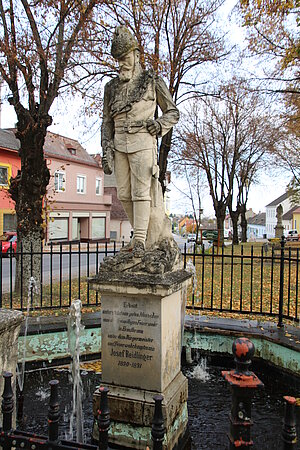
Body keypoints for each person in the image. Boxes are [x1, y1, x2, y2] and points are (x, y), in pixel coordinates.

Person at [101, 26, 179, 257]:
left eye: (124, 58)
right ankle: (140, 236)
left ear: (135, 55)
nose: (121, 64)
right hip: (119, 144)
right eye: (118, 60)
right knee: (124, 193)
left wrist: (160, 125)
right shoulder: (111, 88)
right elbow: (106, 121)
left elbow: (172, 112)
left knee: (141, 193)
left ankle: (141, 241)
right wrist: (106, 147)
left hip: (143, 141)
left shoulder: (151, 81)